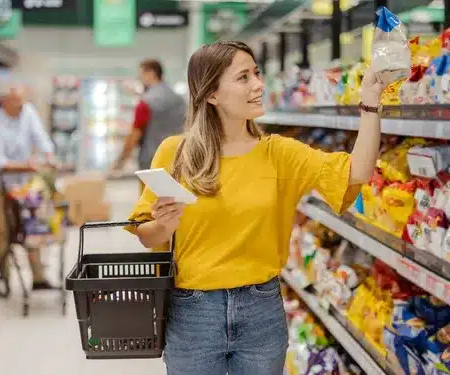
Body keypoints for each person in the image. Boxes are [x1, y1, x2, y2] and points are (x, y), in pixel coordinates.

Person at [125, 41, 386, 374]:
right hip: (193, 312)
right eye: (243, 77)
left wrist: (371, 102)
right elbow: (146, 235)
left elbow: (358, 171)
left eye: (257, 74)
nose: (258, 85)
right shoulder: (176, 152)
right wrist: (163, 225)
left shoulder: (279, 153)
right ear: (212, 94)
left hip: (261, 311)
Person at [0, 83, 57, 293]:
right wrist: (28, 165)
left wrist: (50, 156)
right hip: (1, 185)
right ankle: (4, 277)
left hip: (25, 184)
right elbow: (0, 162)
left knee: (32, 225)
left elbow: (41, 138)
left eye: (22, 100)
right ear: (5, 102)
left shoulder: (28, 113)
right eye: (16, 101)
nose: (21, 105)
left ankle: (38, 276)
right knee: (3, 230)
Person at [111, 59, 186, 188]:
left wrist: (121, 160)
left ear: (151, 73)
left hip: (151, 163)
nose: (140, 78)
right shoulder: (179, 100)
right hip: (177, 159)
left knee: (149, 204)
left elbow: (135, 134)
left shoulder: (145, 103)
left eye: (141, 74)